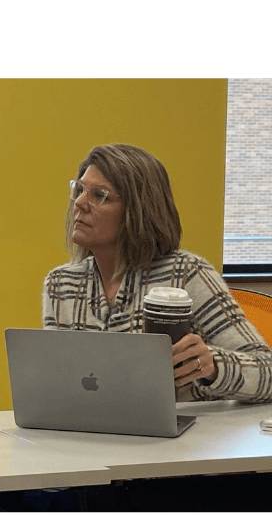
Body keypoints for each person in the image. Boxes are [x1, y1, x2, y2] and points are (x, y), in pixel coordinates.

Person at [43, 143, 272, 402]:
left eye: (101, 195)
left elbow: (267, 370)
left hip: (179, 438)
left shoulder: (187, 274)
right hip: (89, 433)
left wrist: (214, 365)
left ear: (139, 211)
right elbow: (61, 383)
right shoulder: (60, 283)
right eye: (80, 190)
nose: (80, 203)